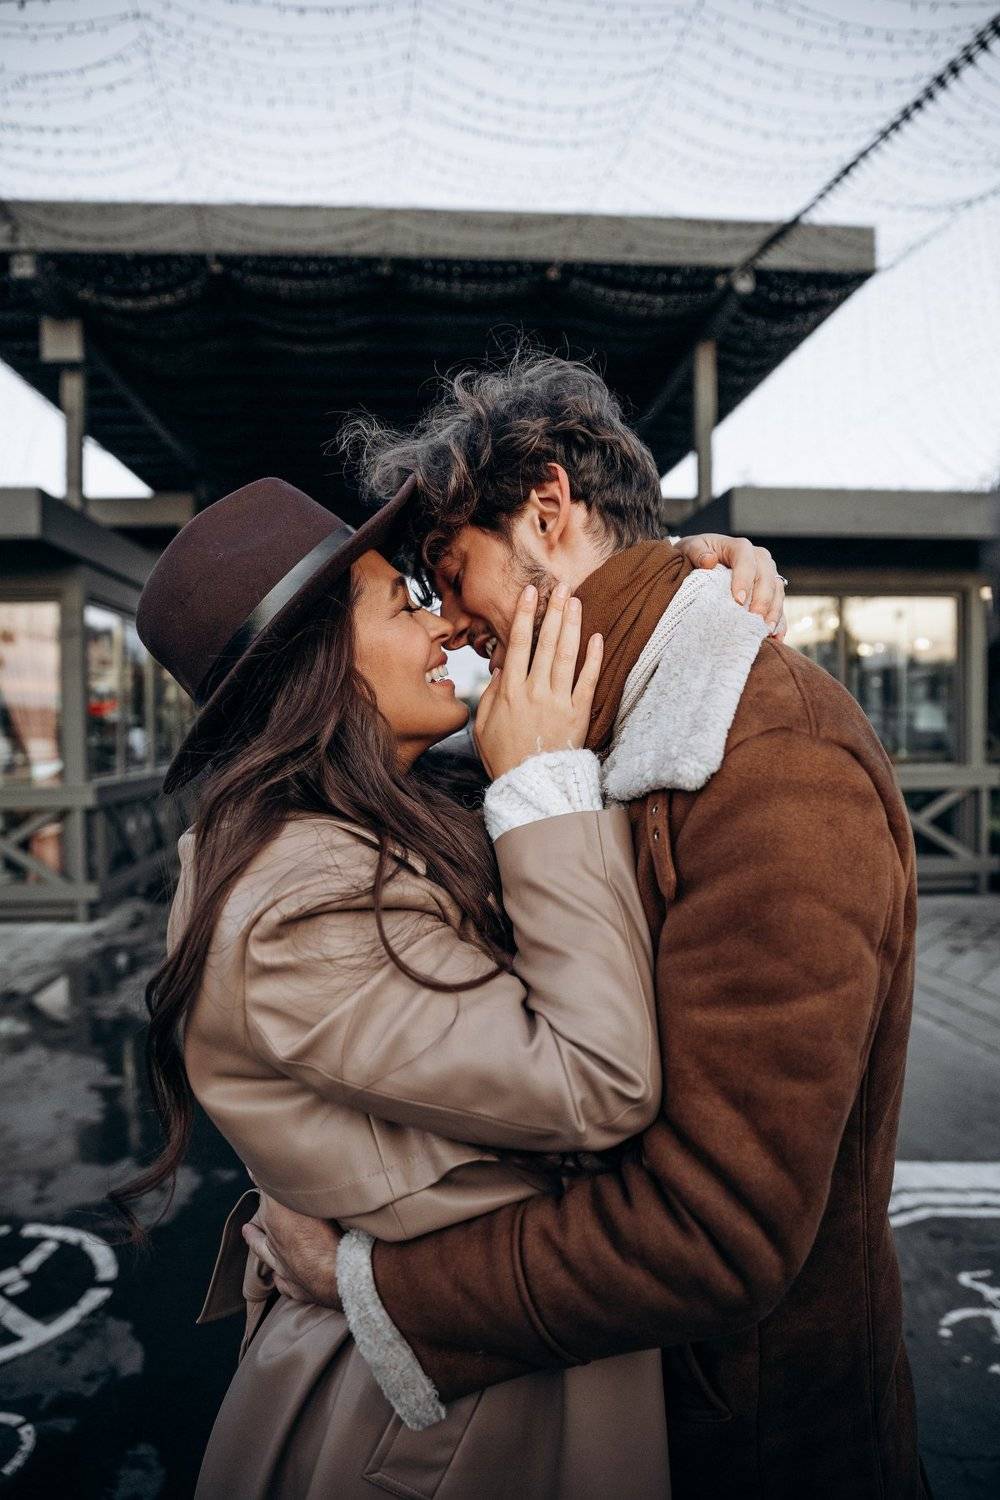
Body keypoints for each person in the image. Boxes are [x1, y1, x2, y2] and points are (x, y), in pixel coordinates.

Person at [247, 350, 931, 1499]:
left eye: (448, 569)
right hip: (605, 1426)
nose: (450, 621)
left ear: (547, 508)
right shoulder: (563, 730)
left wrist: (366, 1284)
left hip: (746, 1450)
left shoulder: (773, 761)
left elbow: (717, 1232)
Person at [116, 471, 784, 1499]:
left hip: (493, 1379)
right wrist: (540, 787)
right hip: (435, 1436)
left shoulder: (380, 815)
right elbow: (594, 1082)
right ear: (320, 667)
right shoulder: (296, 903)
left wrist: (682, 586)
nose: (443, 628)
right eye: (402, 604)